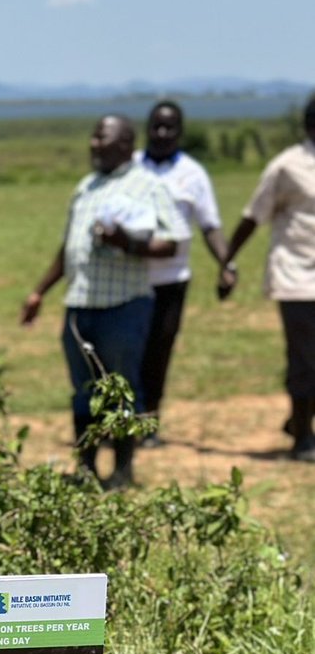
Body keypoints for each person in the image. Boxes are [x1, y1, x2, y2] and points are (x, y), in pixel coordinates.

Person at [21, 115, 187, 488]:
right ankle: (86, 469)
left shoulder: (148, 186)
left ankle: (124, 470)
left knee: (121, 388)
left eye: (102, 137)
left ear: (126, 144)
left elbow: (173, 240)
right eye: (93, 136)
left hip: (123, 306)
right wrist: (39, 292)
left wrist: (126, 243)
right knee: (84, 390)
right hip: (80, 304)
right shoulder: (86, 186)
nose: (94, 144)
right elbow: (69, 247)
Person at [221, 93, 315, 463]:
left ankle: (298, 419)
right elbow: (252, 216)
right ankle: (303, 439)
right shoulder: (287, 166)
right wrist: (227, 259)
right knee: (306, 360)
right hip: (296, 277)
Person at [135, 101, 231, 446]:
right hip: (129, 280)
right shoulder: (129, 168)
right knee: (123, 352)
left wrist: (226, 263)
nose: (162, 134)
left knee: (158, 352)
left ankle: (148, 423)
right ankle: (117, 424)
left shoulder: (193, 174)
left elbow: (210, 226)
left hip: (172, 281)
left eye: (170, 127)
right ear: (147, 128)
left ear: (180, 132)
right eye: (156, 127)